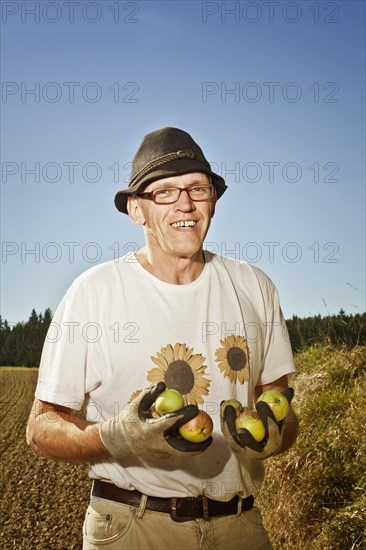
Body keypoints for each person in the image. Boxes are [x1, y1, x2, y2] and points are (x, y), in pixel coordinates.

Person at [26, 127, 299, 550]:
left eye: (197, 188)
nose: (186, 204)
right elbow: (41, 427)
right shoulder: (94, 293)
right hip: (133, 527)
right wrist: (115, 437)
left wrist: (279, 432)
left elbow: (279, 402)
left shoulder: (255, 287)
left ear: (213, 199)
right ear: (137, 210)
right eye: (166, 192)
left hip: (240, 527)